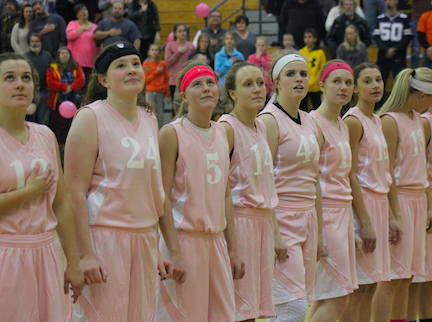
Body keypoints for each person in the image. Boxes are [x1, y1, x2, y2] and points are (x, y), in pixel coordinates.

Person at [65, 42, 180, 322]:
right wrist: (84, 255)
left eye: (135, 64)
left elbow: (153, 192)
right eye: (121, 65)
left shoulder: (150, 118)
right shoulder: (90, 117)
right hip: (104, 239)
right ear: (103, 79)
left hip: (143, 240)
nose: (131, 70)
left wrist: (158, 249)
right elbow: (74, 194)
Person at [154, 61, 244, 322]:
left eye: (209, 83)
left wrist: (233, 249)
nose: (205, 88)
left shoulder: (223, 132)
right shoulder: (171, 134)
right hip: (184, 240)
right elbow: (160, 197)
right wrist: (175, 252)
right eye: (197, 84)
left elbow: (225, 194)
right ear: (183, 96)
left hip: (215, 242)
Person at [0, 52, 84, 321]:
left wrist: (73, 262)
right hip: (6, 255)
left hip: (47, 253)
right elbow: (38, 192)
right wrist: (28, 193)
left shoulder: (45, 135)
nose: (20, 84)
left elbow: (61, 203)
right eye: (9, 78)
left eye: (26, 78)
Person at [258, 51, 326, 322]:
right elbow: (262, 180)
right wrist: (274, 232)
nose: (298, 79)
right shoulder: (268, 121)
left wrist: (319, 231)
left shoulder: (310, 121)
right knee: (291, 306)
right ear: (276, 82)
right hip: (282, 218)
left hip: (307, 217)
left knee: (298, 302)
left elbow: (314, 179)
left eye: (303, 74)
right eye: (291, 74)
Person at [219, 62, 286, 321]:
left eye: (260, 83)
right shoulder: (226, 128)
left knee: (255, 310)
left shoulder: (261, 127)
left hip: (262, 225)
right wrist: (230, 243)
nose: (257, 89)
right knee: (238, 310)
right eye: (248, 84)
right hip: (239, 222)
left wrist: (276, 232)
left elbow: (266, 184)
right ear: (232, 93)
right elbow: (219, 189)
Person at [339, 63, 400, 322]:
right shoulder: (352, 121)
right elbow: (349, 174)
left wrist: (392, 214)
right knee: (358, 289)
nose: (375, 85)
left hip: (379, 204)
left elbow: (386, 172)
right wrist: (364, 221)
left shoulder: (376, 119)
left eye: (378, 79)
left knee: (373, 285)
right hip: (361, 206)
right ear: (355, 88)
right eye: (367, 81)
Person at [376, 67, 432, 322]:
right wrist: (394, 213)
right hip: (400, 200)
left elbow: (423, 168)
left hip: (419, 201)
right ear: (423, 96)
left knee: (407, 277)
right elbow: (385, 171)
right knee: (390, 279)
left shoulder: (419, 121)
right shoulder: (389, 120)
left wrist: (429, 205)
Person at [307, 60, 358, 322]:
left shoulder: (343, 124)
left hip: (343, 215)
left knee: (327, 296)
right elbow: (310, 178)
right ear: (322, 86)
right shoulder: (313, 124)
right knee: (338, 297)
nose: (343, 87)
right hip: (325, 215)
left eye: (348, 82)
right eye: (336, 82)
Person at [47, 46, 85, 148]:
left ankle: (74, 146)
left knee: (74, 124)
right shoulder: (52, 68)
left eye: (66, 53)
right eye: (62, 53)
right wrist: (64, 87)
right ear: (58, 56)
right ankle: (61, 148)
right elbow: (50, 81)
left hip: (74, 100)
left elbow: (81, 79)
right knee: (60, 126)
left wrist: (71, 87)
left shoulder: (76, 66)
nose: (64, 55)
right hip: (58, 101)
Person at [373, 0, 412, 94]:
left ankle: (401, 106)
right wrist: (386, 50)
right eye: (386, 0)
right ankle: (378, 106)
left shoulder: (404, 18)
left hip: (399, 56)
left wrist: (394, 49)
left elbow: (407, 37)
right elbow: (376, 37)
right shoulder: (380, 18)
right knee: (380, 81)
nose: (388, 2)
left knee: (401, 83)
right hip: (383, 56)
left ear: (396, 1)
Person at [66, 4, 97, 90]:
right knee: (76, 86)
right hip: (75, 61)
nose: (84, 12)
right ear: (77, 15)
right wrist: (82, 28)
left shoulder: (94, 26)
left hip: (90, 61)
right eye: (80, 11)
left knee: (88, 86)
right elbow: (70, 36)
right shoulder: (72, 24)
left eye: (85, 10)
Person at [25, 33, 52, 126]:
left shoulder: (47, 56)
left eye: (37, 41)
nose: (34, 44)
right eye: (32, 42)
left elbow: (53, 72)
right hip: (31, 92)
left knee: (44, 120)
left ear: (41, 43)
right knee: (30, 119)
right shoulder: (25, 57)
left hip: (45, 91)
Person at [165, 22, 194, 104]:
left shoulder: (190, 45)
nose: (182, 33)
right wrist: (178, 52)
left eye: (184, 31)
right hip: (175, 81)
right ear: (175, 33)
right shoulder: (170, 46)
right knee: (176, 107)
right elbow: (167, 63)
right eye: (180, 31)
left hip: (189, 80)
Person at [299, 28, 326, 111]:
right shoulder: (301, 52)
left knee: (317, 109)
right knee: (302, 110)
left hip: (316, 87)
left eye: (310, 37)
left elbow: (323, 70)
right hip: (304, 86)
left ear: (315, 39)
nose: (307, 39)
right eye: (305, 37)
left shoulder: (320, 53)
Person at [143, 43, 169, 128]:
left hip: (160, 91)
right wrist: (156, 72)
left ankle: (160, 131)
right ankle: (150, 130)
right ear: (149, 52)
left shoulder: (162, 64)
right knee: (150, 112)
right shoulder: (146, 64)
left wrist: (167, 93)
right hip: (150, 91)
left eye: (156, 50)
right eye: (152, 50)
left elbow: (166, 78)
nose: (154, 52)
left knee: (160, 113)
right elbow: (146, 80)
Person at [417, 4, 432, 68]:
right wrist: (428, 47)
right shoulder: (425, 16)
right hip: (428, 51)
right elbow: (420, 35)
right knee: (426, 74)